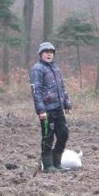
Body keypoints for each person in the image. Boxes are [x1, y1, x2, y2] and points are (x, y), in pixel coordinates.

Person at [30, 42, 72, 173]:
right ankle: (48, 165)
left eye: (51, 52)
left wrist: (66, 103)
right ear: (41, 54)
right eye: (46, 52)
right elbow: (36, 91)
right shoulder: (37, 69)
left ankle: (57, 163)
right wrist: (41, 110)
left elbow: (62, 88)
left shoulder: (55, 68)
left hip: (58, 108)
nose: (49, 54)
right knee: (48, 137)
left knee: (63, 135)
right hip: (46, 110)